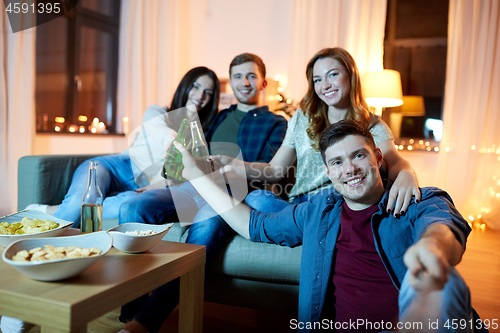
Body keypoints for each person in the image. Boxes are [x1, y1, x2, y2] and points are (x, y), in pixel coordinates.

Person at [175, 119, 480, 333]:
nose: (349, 169)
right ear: (327, 171)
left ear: (377, 158)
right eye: (337, 162)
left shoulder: (415, 200)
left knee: (444, 284)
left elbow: (443, 226)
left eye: (358, 156)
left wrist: (432, 248)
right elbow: (252, 224)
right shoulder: (320, 210)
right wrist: (193, 174)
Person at [118, 53, 287, 333]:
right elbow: (184, 153)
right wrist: (162, 180)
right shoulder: (214, 118)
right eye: (237, 77)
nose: (244, 82)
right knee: (133, 208)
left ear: (263, 82)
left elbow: (270, 169)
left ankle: (144, 323)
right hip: (193, 186)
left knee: (204, 229)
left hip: (231, 194)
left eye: (251, 76)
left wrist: (232, 165)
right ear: (230, 84)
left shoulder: (276, 123)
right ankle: (128, 314)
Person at [214, 47, 419, 217]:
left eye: (333, 75)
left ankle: (317, 229)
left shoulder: (371, 125)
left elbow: (395, 160)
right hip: (301, 207)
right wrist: (232, 165)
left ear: (351, 76)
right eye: (317, 79)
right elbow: (274, 171)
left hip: (342, 204)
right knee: (256, 199)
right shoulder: (303, 119)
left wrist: (407, 173)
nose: (325, 85)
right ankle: (308, 227)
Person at [25, 66, 220, 226]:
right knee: (74, 208)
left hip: (142, 187)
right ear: (185, 86)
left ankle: (55, 209)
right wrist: (177, 144)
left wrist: (164, 182)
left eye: (208, 92)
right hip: (116, 166)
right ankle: (54, 230)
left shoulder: (200, 137)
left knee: (126, 204)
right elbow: (159, 131)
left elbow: (187, 175)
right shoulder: (157, 111)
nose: (200, 95)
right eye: (195, 86)